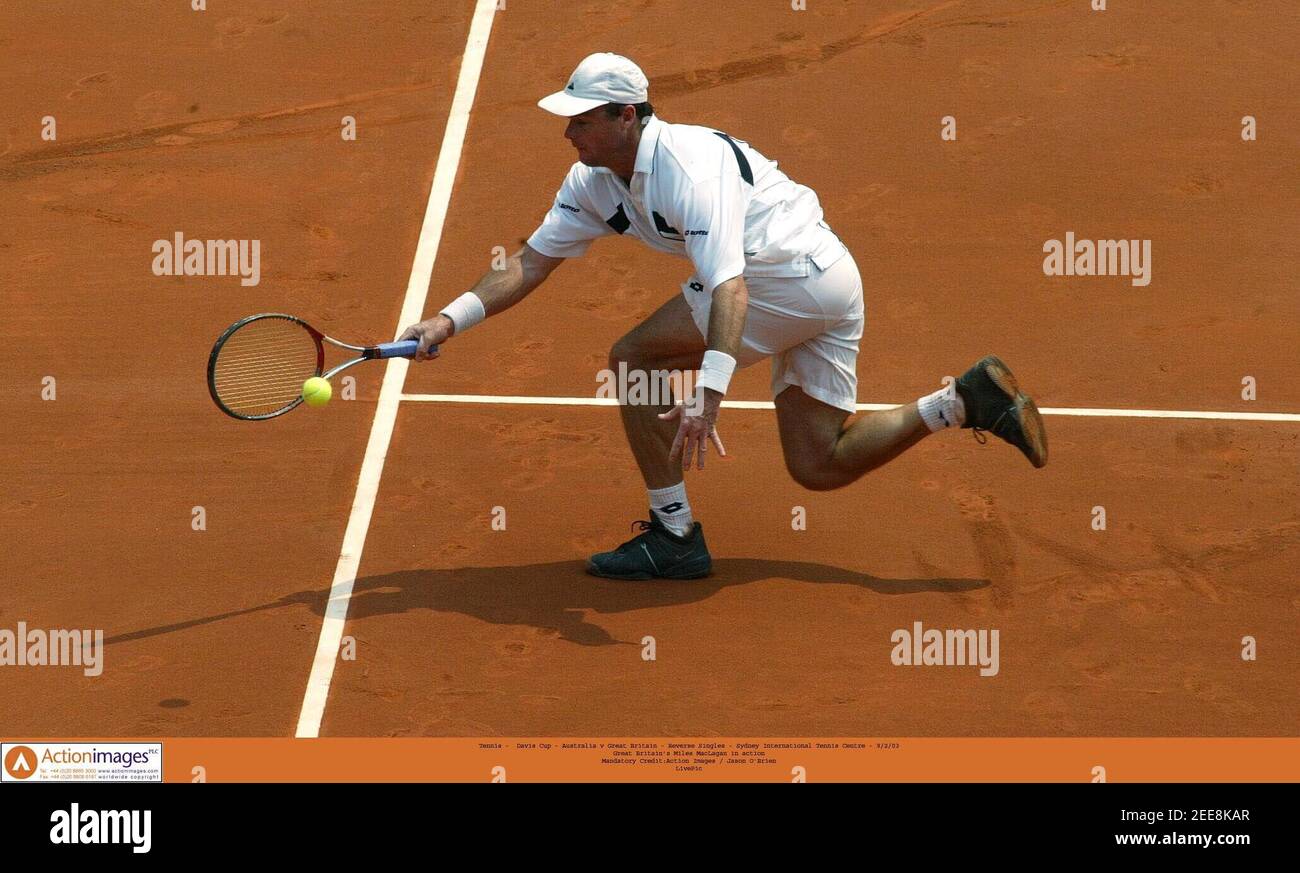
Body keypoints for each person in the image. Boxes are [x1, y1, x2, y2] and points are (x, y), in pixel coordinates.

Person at [400, 53, 1047, 581]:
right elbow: (529, 263)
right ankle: (960, 402)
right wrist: (447, 320)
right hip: (831, 282)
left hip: (784, 276)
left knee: (634, 357)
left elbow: (730, 290)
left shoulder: (688, 170)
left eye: (581, 120)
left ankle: (674, 531)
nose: (568, 133)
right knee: (818, 463)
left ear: (627, 116)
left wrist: (708, 394)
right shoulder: (593, 182)